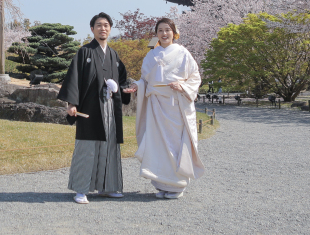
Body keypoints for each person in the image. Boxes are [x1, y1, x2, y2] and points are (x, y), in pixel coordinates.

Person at [57, 12, 132, 204]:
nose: (103, 28)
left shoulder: (113, 55)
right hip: (89, 109)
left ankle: (108, 187)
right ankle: (81, 190)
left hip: (110, 109)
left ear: (110, 28)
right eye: (99, 25)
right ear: (92, 29)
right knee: (87, 148)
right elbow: (73, 78)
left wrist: (124, 89)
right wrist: (72, 103)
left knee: (109, 148)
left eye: (106, 25)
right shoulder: (85, 52)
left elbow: (122, 80)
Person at [129, 17, 205, 199]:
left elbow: (195, 76)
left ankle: (177, 184)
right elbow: (145, 80)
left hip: (175, 105)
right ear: (156, 34)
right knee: (158, 143)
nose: (164, 34)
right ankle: (162, 183)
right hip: (156, 105)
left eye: (167, 30)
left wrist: (183, 87)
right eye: (160, 30)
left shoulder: (183, 53)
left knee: (175, 142)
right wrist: (138, 87)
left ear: (174, 32)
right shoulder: (151, 55)